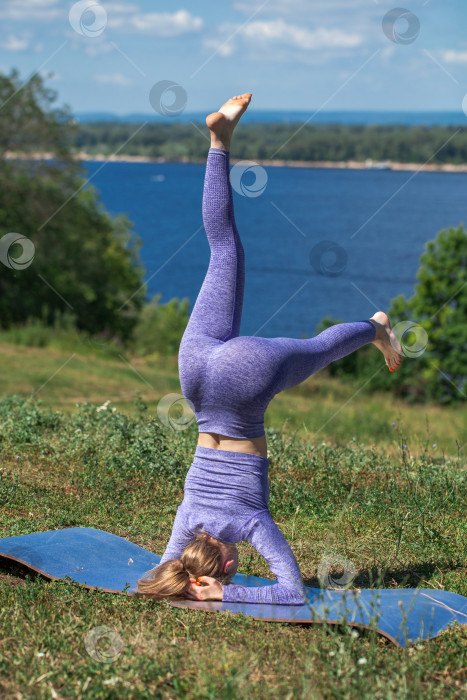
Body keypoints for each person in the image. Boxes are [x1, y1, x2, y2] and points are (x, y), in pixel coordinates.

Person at [136, 93, 403, 605]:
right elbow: (163, 571)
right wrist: (186, 584)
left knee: (320, 348)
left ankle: (376, 328)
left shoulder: (250, 524)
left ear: (222, 568)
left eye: (232, 574)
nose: (237, 572)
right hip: (195, 372)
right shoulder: (188, 522)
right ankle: (218, 140)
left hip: (243, 381)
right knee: (223, 247)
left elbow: (292, 593)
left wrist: (222, 597)